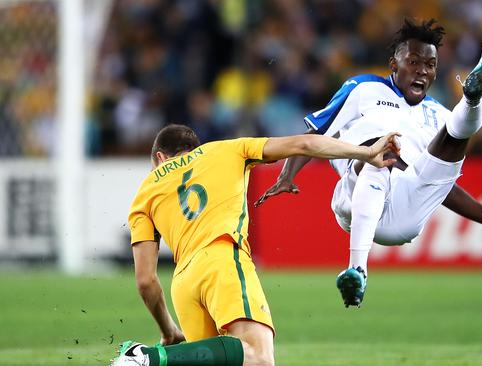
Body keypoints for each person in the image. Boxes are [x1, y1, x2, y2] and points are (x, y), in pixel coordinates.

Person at [255, 19, 482, 307]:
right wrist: (287, 173)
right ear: (394, 64)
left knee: (452, 135)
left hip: (405, 212)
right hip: (355, 197)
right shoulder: (363, 89)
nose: (422, 71)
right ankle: (357, 271)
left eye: (430, 65)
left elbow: (441, 187)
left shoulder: (437, 113)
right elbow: (316, 132)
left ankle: (473, 96)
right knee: (382, 153)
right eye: (414, 62)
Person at [110, 124, 401, 366]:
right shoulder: (226, 149)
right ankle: (146, 358)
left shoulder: (145, 193)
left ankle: (153, 358)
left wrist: (169, 331)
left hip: (183, 282)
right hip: (221, 260)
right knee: (258, 356)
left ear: (160, 158)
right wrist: (366, 152)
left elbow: (146, 281)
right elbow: (304, 144)